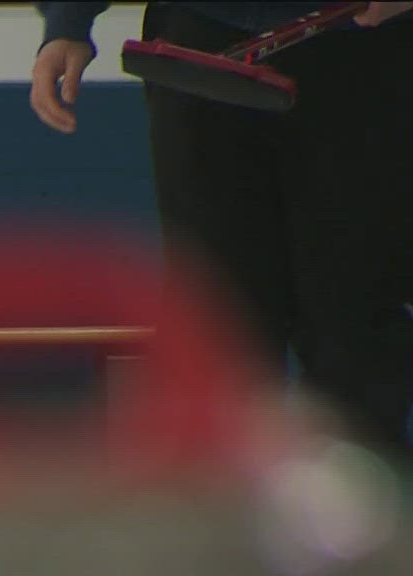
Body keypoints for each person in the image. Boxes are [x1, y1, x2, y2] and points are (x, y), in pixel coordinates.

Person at [30, 2, 413, 462]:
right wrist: (67, 23)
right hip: (205, 46)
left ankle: (364, 517)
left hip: (366, 45)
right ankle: (227, 514)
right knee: (219, 315)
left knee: (353, 314)